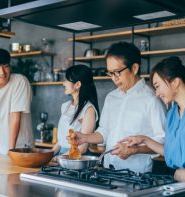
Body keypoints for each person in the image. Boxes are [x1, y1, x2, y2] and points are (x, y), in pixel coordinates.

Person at [117, 56, 185, 197]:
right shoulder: (172, 114)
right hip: (180, 180)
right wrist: (144, 139)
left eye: (157, 86)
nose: (156, 94)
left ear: (175, 82)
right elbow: (170, 153)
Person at [70, 42, 166, 172]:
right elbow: (104, 131)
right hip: (108, 169)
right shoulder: (111, 97)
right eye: (110, 73)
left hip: (136, 175)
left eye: (117, 72)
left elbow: (162, 142)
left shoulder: (152, 99)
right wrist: (85, 137)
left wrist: (135, 150)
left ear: (134, 68)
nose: (114, 78)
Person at [52, 64, 99, 155]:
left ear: (77, 84)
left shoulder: (88, 110)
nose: (63, 83)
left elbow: (82, 147)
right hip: (62, 155)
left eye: (66, 80)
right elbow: (62, 141)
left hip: (75, 157)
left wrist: (60, 158)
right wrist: (50, 154)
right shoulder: (66, 106)